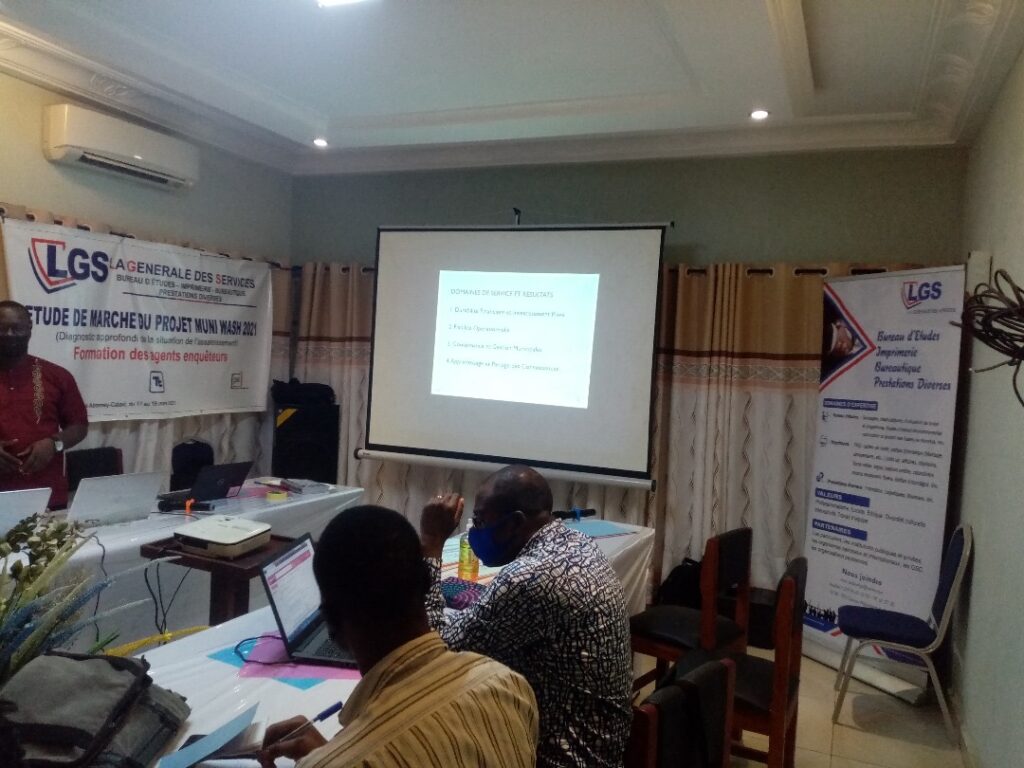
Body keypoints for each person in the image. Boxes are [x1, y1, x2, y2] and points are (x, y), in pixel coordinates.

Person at [258, 505, 539, 768]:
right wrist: (334, 751)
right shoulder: (510, 686)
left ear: (333, 623)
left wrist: (331, 757)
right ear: (426, 583)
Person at [420, 465, 633, 768]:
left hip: (559, 758)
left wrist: (431, 542)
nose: (473, 531)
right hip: (601, 746)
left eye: (480, 521)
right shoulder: (576, 542)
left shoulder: (530, 577)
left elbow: (436, 654)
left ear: (515, 523)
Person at [0, 301, 87, 509]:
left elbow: (79, 426)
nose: (10, 334)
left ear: (30, 328)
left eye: (17, 328)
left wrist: (54, 444)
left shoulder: (57, 376)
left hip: (46, 495)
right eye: (2, 328)